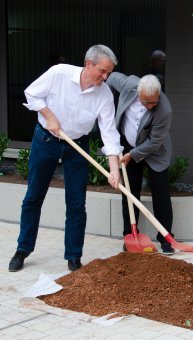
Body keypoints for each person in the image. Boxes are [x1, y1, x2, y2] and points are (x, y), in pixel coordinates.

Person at [8, 45, 122, 272]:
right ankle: (23, 249)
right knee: (34, 196)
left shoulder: (105, 94)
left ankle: (73, 256)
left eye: (108, 73)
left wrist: (114, 170)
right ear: (89, 64)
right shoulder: (59, 73)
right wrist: (49, 115)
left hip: (77, 147)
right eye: (102, 71)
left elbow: (109, 132)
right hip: (46, 140)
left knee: (77, 203)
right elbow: (32, 93)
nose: (105, 77)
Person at [106, 72, 174, 253]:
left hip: (155, 152)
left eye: (154, 102)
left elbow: (154, 142)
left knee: (160, 193)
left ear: (159, 95)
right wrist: (106, 102)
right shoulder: (129, 85)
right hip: (128, 146)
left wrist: (132, 154)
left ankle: (165, 237)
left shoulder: (164, 110)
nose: (150, 105)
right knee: (129, 192)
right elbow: (110, 78)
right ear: (138, 93)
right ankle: (130, 234)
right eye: (146, 102)